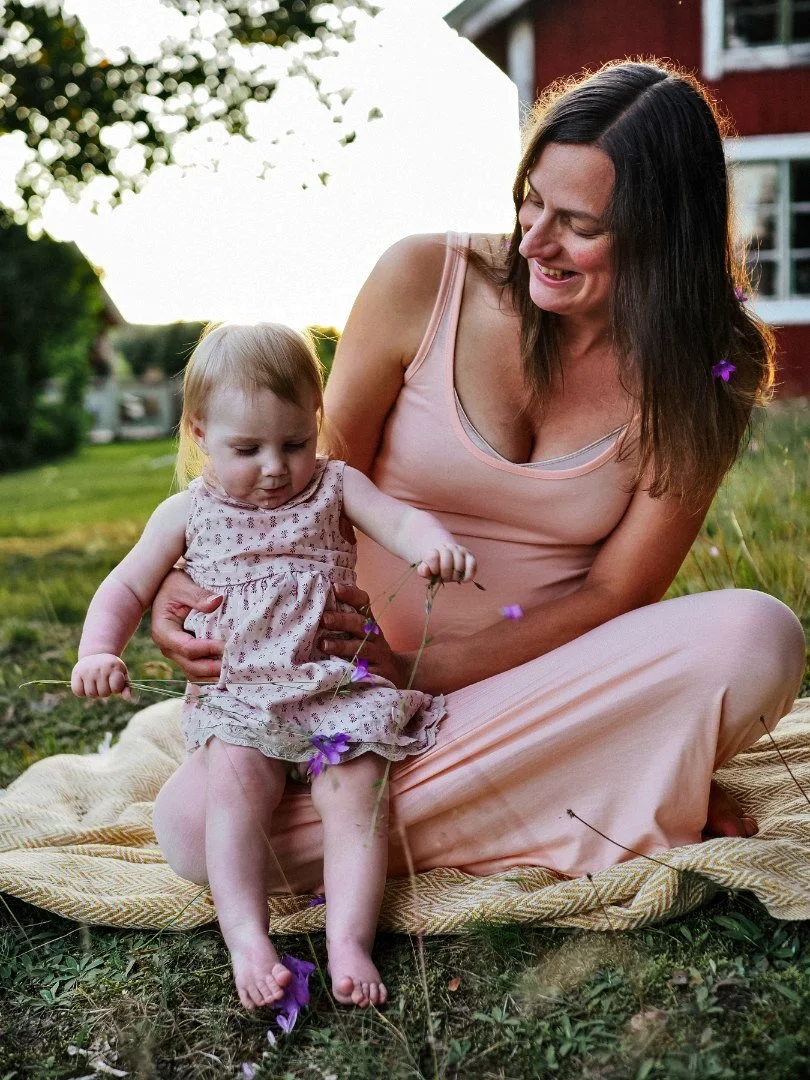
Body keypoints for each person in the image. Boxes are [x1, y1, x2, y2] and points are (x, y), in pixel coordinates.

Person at [151, 63, 805, 930]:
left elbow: (619, 595)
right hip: (342, 696)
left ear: (663, 233)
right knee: (194, 832)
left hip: (527, 694)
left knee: (756, 636)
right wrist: (173, 584)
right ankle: (609, 788)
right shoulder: (424, 282)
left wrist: (434, 672)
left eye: (578, 224)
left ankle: (577, 785)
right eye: (531, 201)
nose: (535, 240)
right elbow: (291, 489)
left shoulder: (703, 377)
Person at [70, 321, 477, 1011]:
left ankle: (349, 939)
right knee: (235, 792)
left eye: (294, 442)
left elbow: (402, 521)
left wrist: (432, 546)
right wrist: (98, 650)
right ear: (199, 433)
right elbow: (126, 587)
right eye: (247, 448)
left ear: (315, 423)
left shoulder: (335, 486)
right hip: (244, 699)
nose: (275, 466)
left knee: (357, 796)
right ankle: (248, 939)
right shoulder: (185, 513)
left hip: (331, 687)